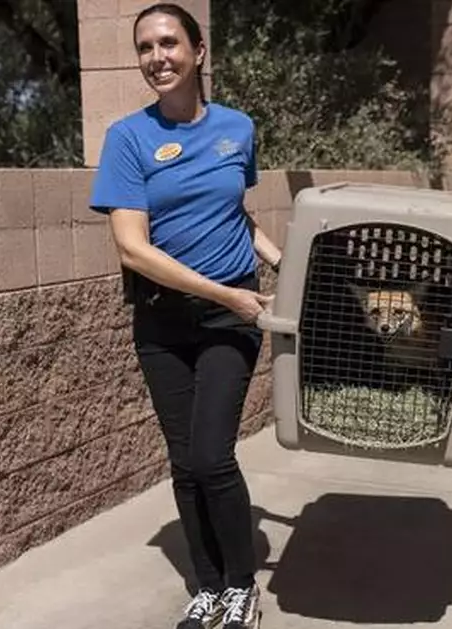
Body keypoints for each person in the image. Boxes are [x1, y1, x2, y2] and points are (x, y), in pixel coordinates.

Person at [88, 4, 281, 628]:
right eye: (145, 47)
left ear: (200, 53)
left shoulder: (239, 128)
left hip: (232, 315)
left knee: (211, 457)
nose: (156, 57)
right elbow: (132, 247)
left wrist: (286, 262)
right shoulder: (127, 139)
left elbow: (234, 213)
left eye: (169, 43)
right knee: (183, 460)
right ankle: (206, 586)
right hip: (163, 322)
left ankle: (241, 585)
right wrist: (227, 295)